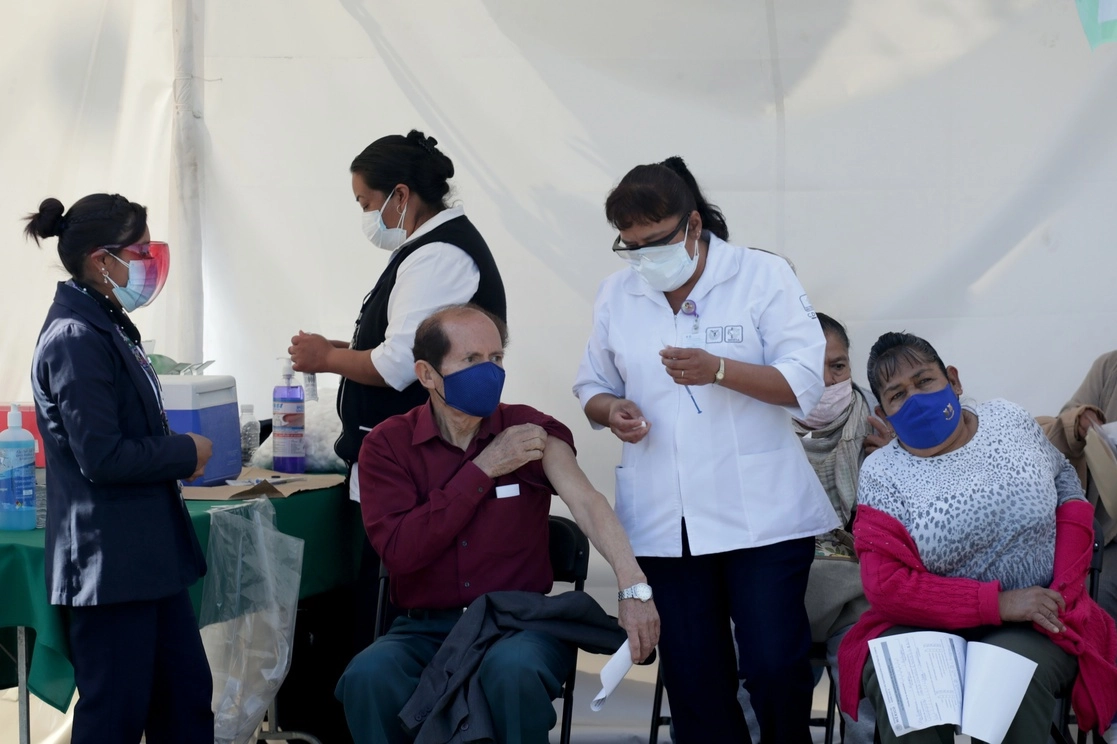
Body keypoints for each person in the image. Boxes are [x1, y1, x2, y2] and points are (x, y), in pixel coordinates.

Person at [573, 157, 839, 743]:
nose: (643, 257)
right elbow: (591, 386)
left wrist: (720, 369)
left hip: (761, 518)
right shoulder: (617, 293)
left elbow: (804, 382)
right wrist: (610, 412)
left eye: (655, 241)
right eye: (631, 246)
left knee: (774, 668)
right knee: (695, 682)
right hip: (667, 522)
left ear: (693, 225)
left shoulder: (762, 276)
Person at [335, 304, 660, 744]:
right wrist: (483, 469)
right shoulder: (388, 445)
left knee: (513, 671)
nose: (490, 372)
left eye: (497, 359)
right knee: (367, 677)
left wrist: (633, 586)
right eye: (471, 360)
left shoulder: (529, 430)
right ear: (427, 375)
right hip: (425, 628)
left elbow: (588, 503)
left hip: (520, 625)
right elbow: (400, 550)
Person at [838, 332, 1117, 743]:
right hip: (922, 625)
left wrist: (1061, 593)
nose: (914, 398)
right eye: (898, 395)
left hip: (1033, 619)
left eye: (924, 381)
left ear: (953, 379)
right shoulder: (882, 473)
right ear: (884, 412)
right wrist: (998, 603)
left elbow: (1069, 493)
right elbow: (886, 587)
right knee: (911, 687)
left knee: (1008, 684)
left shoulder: (1008, 419)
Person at [288, 129, 507, 653]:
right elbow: (408, 344)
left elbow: (395, 366)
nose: (366, 215)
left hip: (422, 461)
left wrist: (326, 358)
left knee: (387, 607)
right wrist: (343, 348)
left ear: (401, 196)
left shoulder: (440, 256)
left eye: (366, 203)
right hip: (405, 453)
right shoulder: (427, 250)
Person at [27, 194, 215, 744]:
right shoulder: (74, 337)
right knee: (114, 718)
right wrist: (186, 452)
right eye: (138, 250)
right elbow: (102, 455)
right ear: (99, 259)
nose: (148, 263)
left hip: (147, 558)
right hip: (109, 568)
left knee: (184, 703)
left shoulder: (105, 321)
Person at [792, 312, 876, 742]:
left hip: (857, 590)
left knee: (865, 700)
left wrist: (893, 460)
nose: (827, 380)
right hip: (777, 588)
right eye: (811, 368)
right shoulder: (758, 427)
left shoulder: (882, 423)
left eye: (838, 366)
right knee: (760, 689)